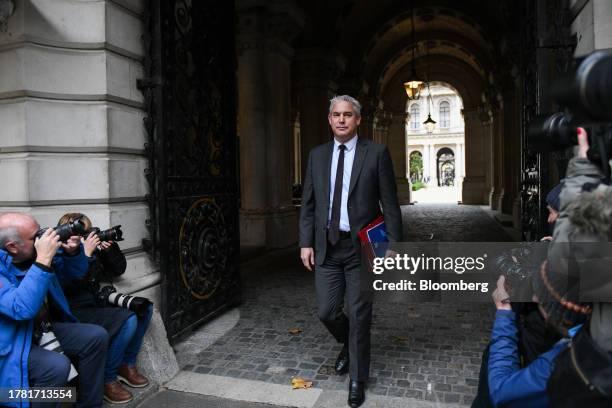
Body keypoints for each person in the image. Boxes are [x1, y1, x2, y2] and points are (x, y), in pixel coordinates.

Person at [299, 95, 403, 408]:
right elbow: (309, 203)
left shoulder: (377, 153)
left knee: (359, 315)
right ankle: (348, 343)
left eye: (348, 115)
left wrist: (393, 246)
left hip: (362, 248)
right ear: (329, 119)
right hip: (328, 247)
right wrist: (305, 242)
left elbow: (390, 204)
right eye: (336, 114)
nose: (341, 120)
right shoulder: (317, 156)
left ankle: (358, 379)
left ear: (358, 120)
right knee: (327, 311)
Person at [0, 212, 108, 408]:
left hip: (38, 328)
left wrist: (73, 253)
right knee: (56, 367)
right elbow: (21, 308)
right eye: (36, 236)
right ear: (12, 247)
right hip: (11, 341)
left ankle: (88, 404)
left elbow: (73, 276)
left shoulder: (33, 252)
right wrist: (42, 260)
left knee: (95, 336)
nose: (44, 237)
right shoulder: (37, 257)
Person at [57, 213, 152, 404]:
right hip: (73, 309)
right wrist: (83, 254)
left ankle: (127, 364)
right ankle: (108, 379)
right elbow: (68, 284)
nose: (82, 237)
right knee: (127, 319)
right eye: (77, 231)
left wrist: (109, 251)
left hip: (97, 301)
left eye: (84, 232)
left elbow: (118, 270)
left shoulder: (89, 247)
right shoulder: (60, 252)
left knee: (144, 308)